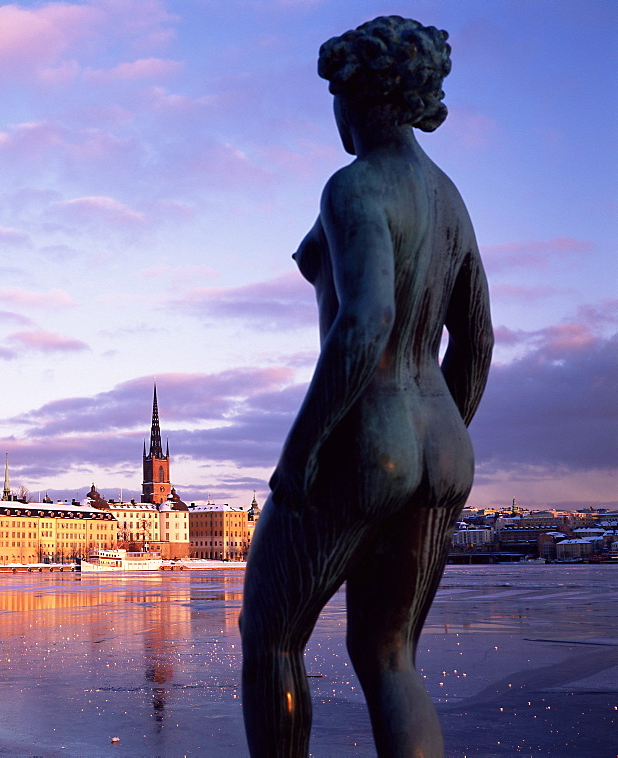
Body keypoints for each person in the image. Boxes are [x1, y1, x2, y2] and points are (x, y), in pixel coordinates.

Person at [239, 16, 493, 757]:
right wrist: (441, 430)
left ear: (361, 98)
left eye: (337, 97)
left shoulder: (353, 188)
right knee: (390, 658)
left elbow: (366, 322)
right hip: (442, 441)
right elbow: (475, 341)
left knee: (272, 640)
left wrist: (301, 453)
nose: (335, 115)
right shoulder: (449, 200)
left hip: (364, 434)